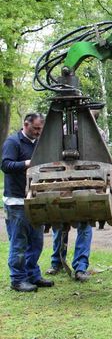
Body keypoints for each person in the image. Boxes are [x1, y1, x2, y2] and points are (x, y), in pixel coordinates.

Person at [46, 110, 106, 282]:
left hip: (86, 185)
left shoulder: (98, 134)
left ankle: (80, 267)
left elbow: (101, 160)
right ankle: (57, 262)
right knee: (60, 224)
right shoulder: (64, 130)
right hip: (63, 183)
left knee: (84, 225)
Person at [1, 113, 53, 292]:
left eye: (40, 129)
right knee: (19, 242)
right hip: (16, 201)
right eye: (36, 128)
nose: (39, 132)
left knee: (36, 241)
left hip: (34, 199)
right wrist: (27, 163)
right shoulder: (13, 142)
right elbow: (6, 165)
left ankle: (32, 275)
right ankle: (17, 279)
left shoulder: (37, 144)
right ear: (26, 124)